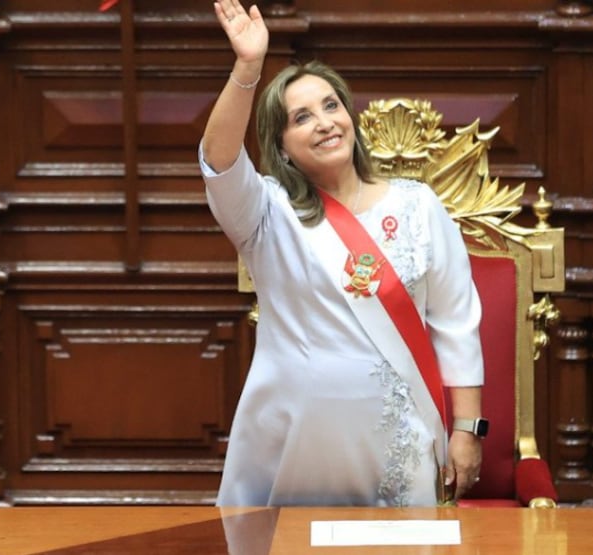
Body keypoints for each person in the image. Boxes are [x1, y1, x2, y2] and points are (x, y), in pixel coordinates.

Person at [200, 0, 485, 507]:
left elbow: (455, 322)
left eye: (332, 106)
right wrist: (248, 68)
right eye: (301, 117)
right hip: (295, 444)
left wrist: (467, 430)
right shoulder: (267, 212)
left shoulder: (418, 205)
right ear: (282, 146)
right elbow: (218, 161)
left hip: (399, 440)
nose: (325, 123)